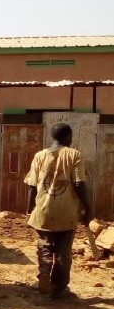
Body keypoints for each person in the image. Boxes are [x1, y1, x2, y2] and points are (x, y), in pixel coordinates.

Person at [24, 123, 91, 299]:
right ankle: (58, 287)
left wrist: (29, 208)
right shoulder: (75, 155)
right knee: (63, 250)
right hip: (67, 211)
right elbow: (79, 184)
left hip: (43, 209)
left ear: (53, 137)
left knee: (44, 244)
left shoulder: (39, 156)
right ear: (68, 137)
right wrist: (88, 208)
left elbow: (32, 186)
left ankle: (44, 273)